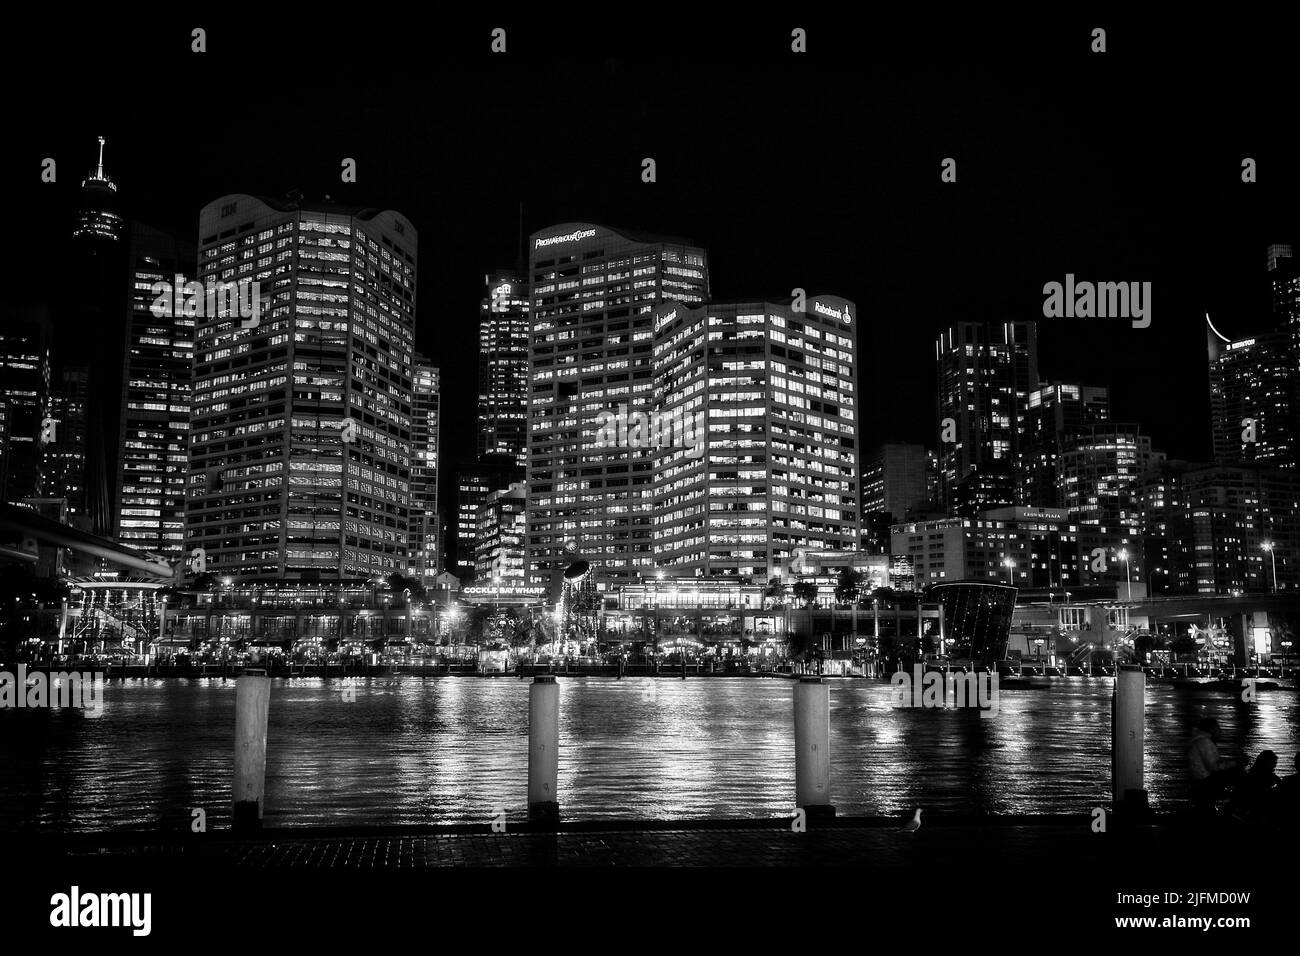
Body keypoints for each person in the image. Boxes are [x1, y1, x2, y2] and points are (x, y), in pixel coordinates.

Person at [1187, 717, 1242, 816]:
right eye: (1218, 728)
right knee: (1238, 773)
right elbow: (1213, 767)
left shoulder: (1197, 740)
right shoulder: (1205, 742)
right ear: (1211, 729)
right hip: (1203, 782)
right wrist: (1235, 763)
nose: (1220, 731)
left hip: (1197, 780)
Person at [1227, 750, 1281, 825]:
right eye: (1274, 763)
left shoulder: (1251, 774)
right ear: (1268, 763)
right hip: (1255, 811)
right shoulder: (1266, 776)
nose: (1274, 766)